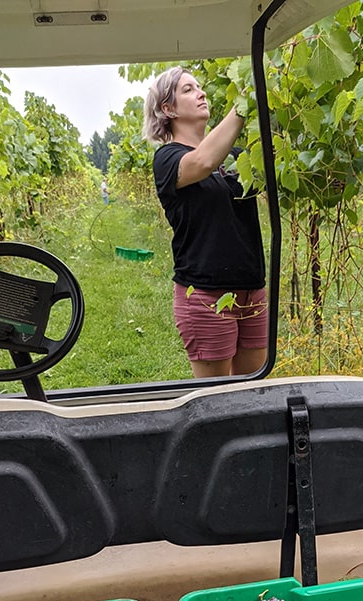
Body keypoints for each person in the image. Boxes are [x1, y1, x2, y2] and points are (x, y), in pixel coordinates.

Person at [143, 67, 267, 378]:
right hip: (205, 296)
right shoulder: (168, 159)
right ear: (167, 109)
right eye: (188, 89)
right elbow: (203, 161)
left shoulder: (236, 156)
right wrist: (244, 102)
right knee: (218, 405)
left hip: (252, 291)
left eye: (200, 87)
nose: (201, 93)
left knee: (254, 396)